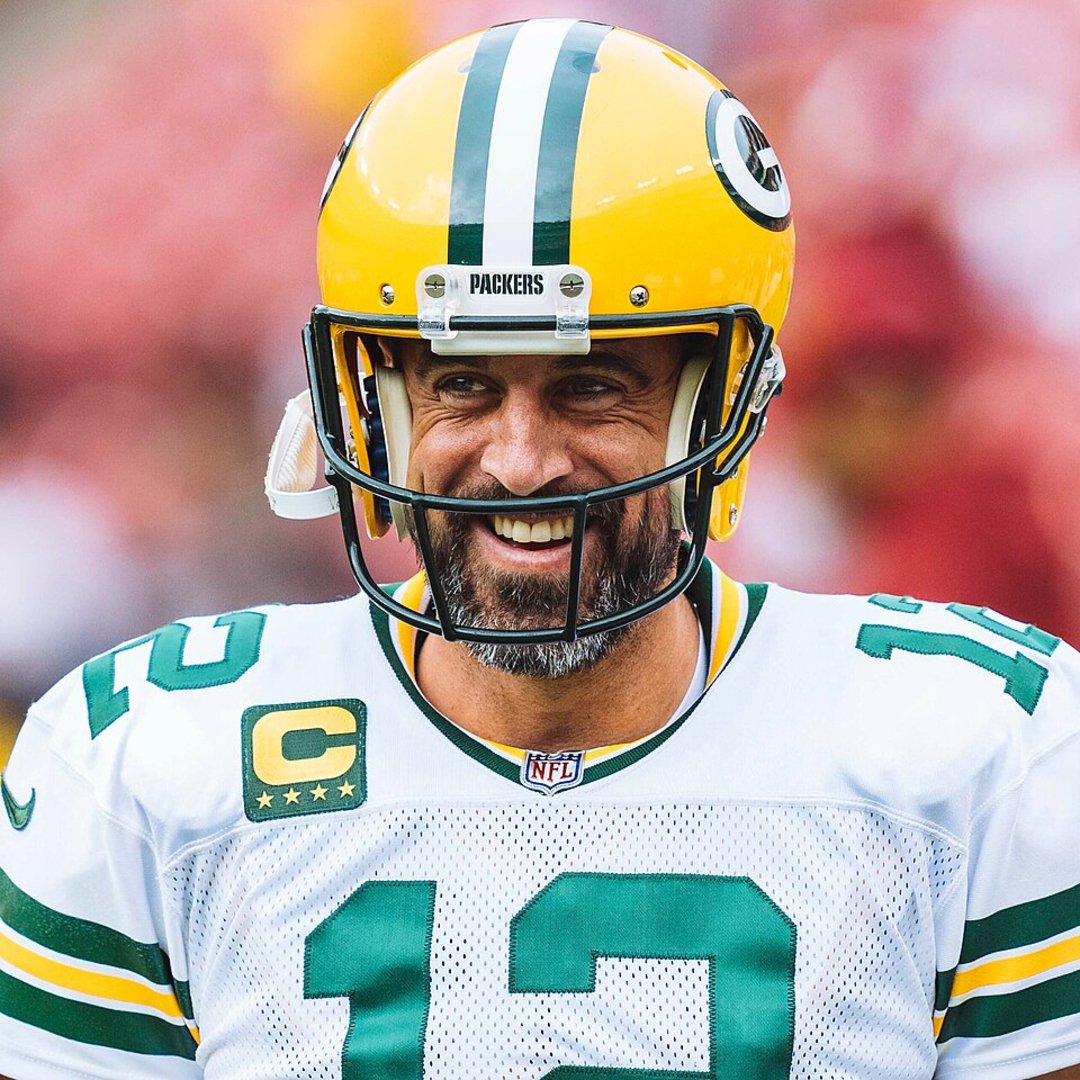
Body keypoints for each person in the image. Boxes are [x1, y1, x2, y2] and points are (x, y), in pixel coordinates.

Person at [1, 18, 1078, 1079]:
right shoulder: (138, 768)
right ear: (371, 403)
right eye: (461, 382)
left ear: (723, 411)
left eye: (592, 385)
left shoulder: (984, 753)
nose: (520, 462)